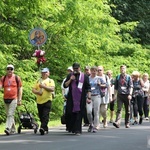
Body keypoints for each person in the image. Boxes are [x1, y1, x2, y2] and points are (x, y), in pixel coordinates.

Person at [63, 62, 91, 135]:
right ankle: (71, 127)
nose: (76, 70)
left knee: (79, 113)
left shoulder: (84, 76)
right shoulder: (70, 75)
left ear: (79, 68)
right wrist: (70, 80)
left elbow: (88, 88)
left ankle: (78, 130)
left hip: (81, 98)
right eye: (74, 69)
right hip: (71, 97)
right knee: (69, 112)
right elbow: (65, 85)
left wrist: (89, 97)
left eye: (77, 68)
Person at [0, 64, 23, 135]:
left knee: (10, 114)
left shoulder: (17, 78)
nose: (9, 70)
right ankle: (13, 129)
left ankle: (7, 128)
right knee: (9, 115)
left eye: (11, 69)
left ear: (13, 70)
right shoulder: (3, 78)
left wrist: (19, 99)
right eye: (8, 69)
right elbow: (0, 86)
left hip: (14, 98)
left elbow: (20, 88)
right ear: (6, 70)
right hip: (5, 99)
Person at [32, 68, 55, 135]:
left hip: (47, 100)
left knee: (45, 115)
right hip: (39, 101)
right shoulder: (38, 81)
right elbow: (33, 89)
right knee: (41, 116)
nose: (44, 74)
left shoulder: (50, 81)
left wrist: (44, 87)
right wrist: (38, 92)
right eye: (42, 72)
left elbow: (52, 89)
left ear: (48, 73)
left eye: (45, 72)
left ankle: (42, 127)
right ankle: (45, 128)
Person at [86, 66, 105, 132]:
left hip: (97, 95)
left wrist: (100, 85)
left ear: (96, 72)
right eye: (92, 71)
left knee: (96, 111)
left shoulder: (99, 78)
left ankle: (95, 126)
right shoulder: (87, 78)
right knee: (89, 111)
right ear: (90, 71)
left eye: (95, 71)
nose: (93, 72)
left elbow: (106, 85)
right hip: (89, 96)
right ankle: (91, 124)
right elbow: (85, 87)